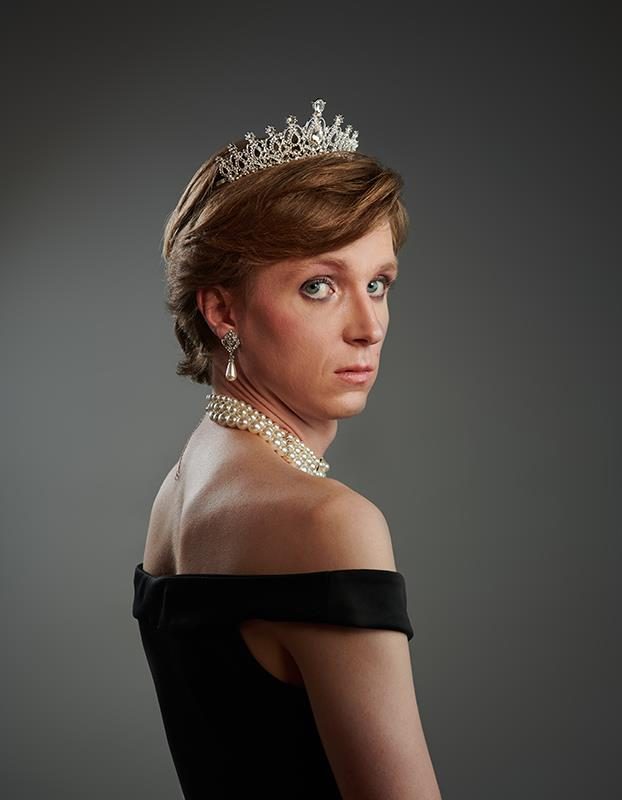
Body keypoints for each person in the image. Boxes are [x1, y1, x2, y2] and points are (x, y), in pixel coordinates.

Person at [131, 99, 442, 799]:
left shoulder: (182, 486)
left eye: (378, 284)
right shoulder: (326, 523)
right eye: (319, 286)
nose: (369, 326)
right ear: (223, 310)